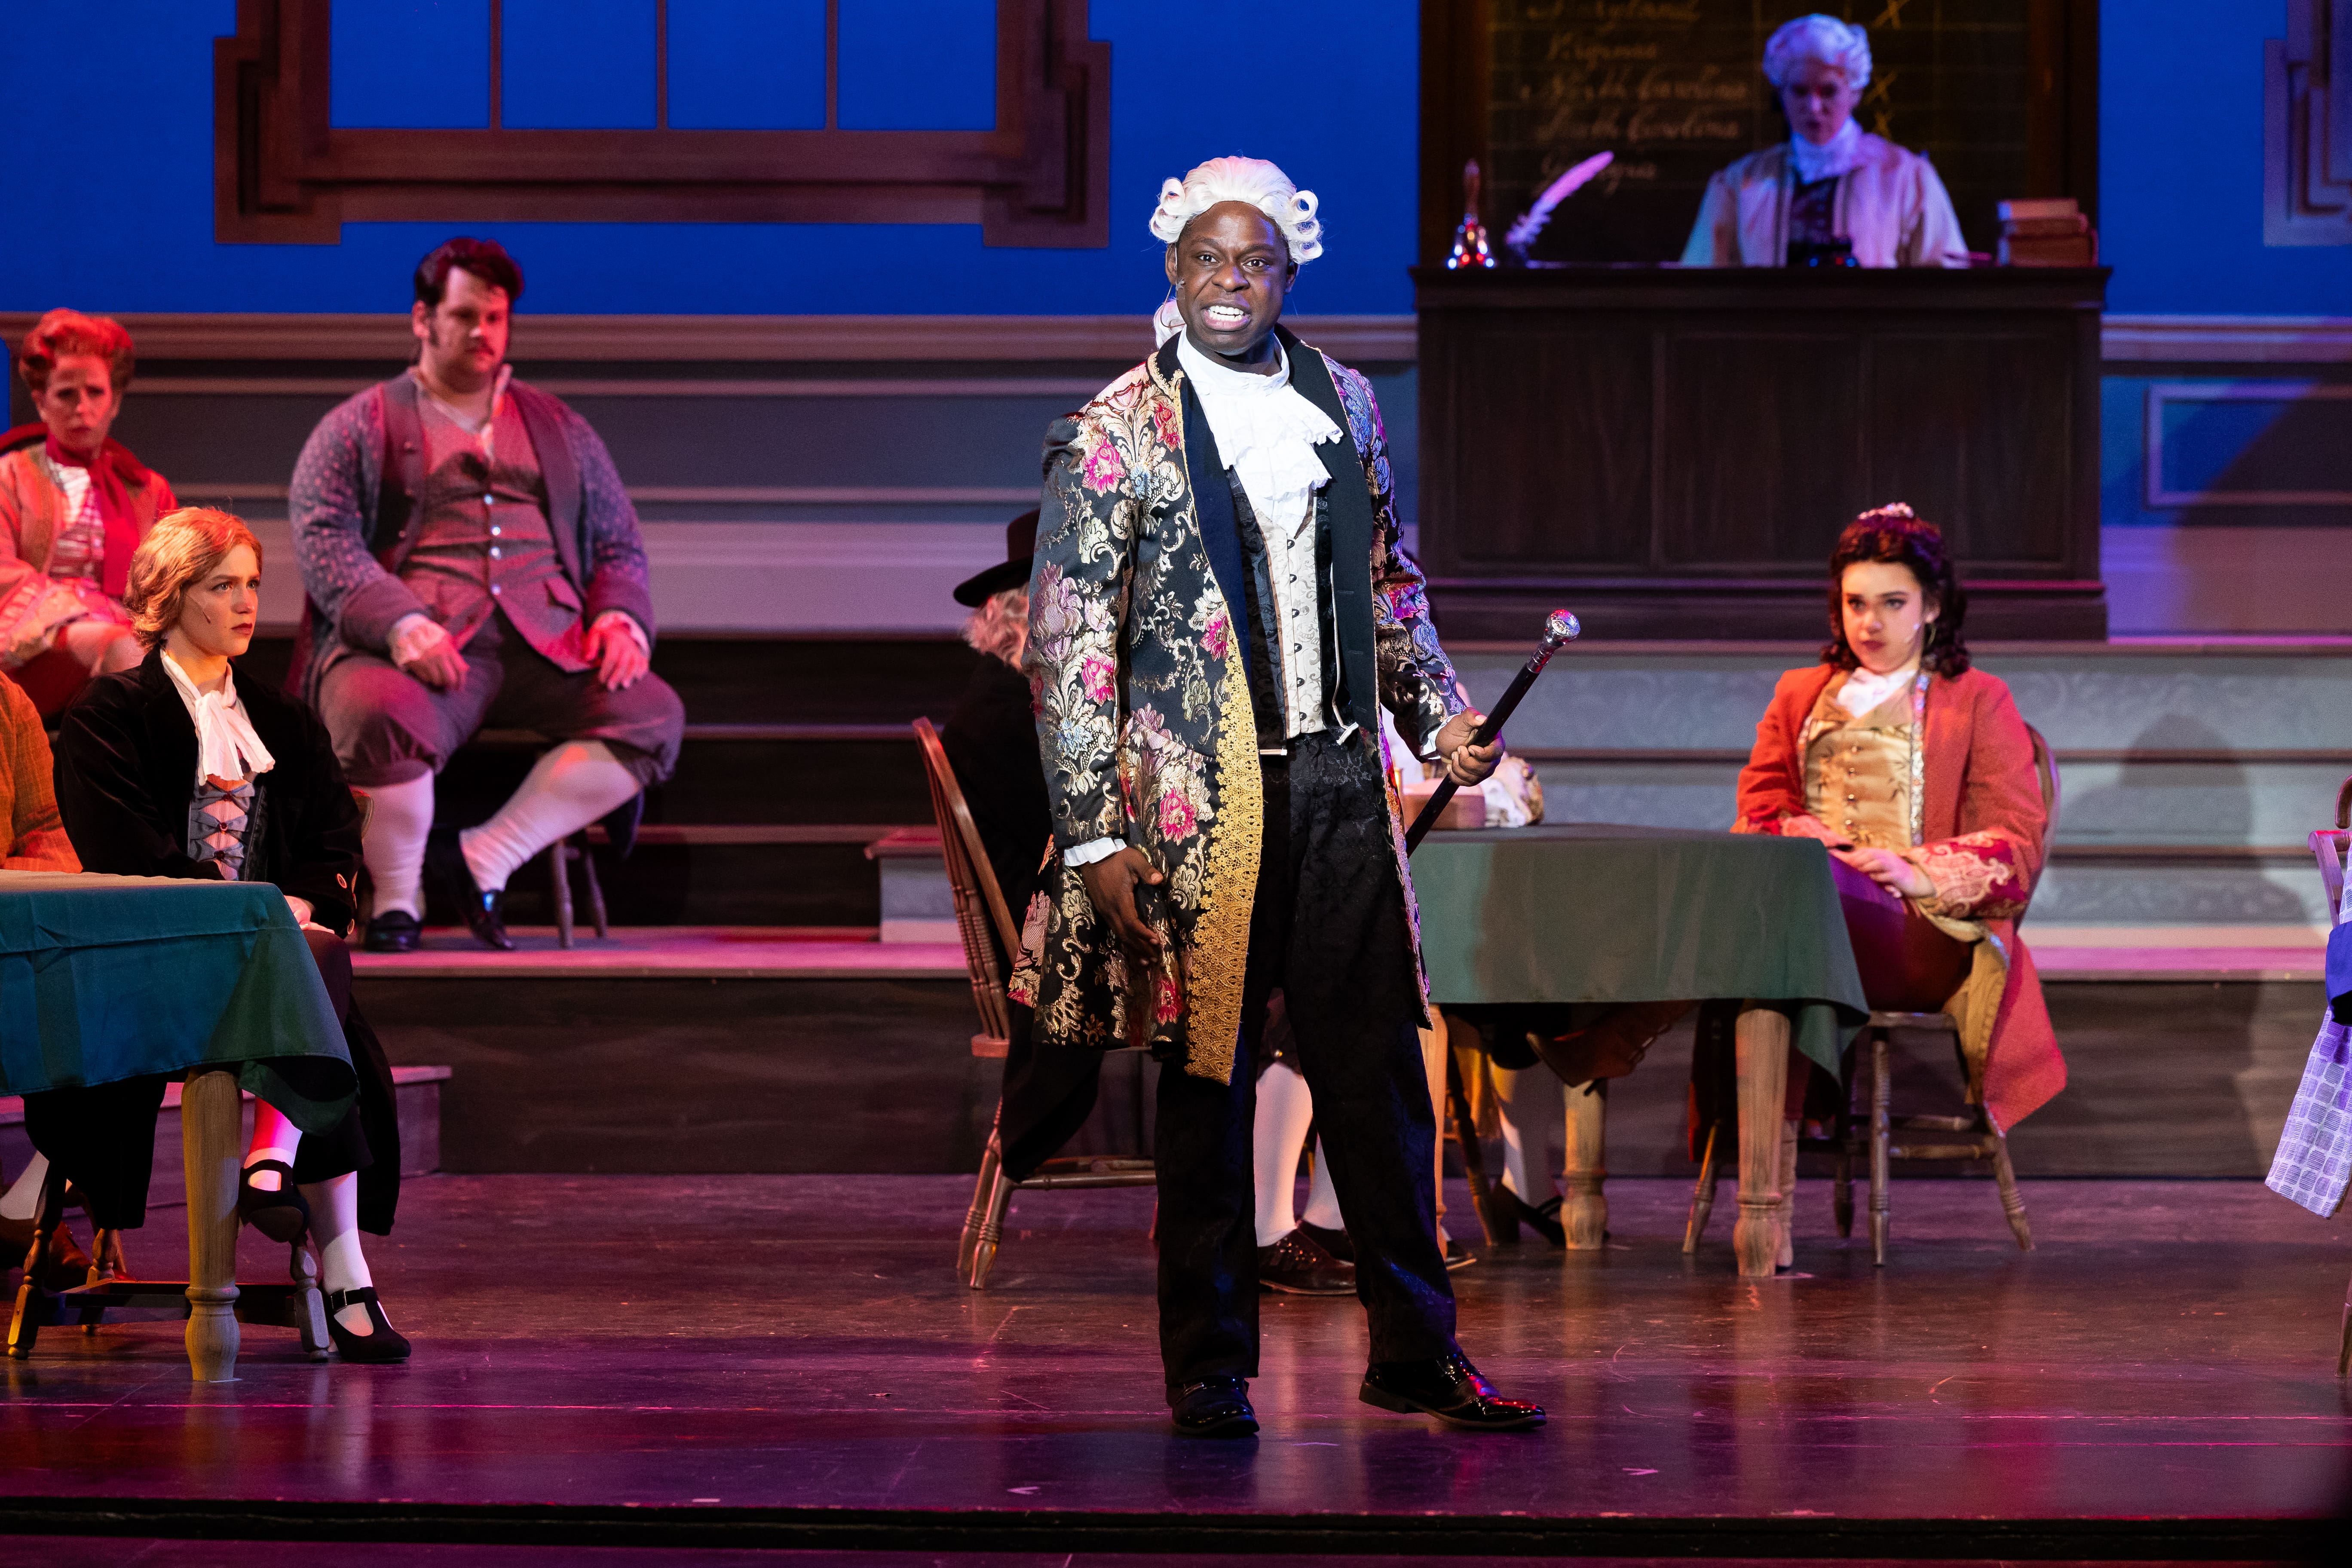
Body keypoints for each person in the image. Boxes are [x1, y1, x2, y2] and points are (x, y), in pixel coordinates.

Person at [1013, 155, 1543, 1437]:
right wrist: (1092, 834)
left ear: (1286, 275)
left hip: (1341, 785)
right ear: (1173, 268)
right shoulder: (1115, 429)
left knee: (1380, 1077)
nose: (1229, 282)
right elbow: (1068, 647)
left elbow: (1391, 584)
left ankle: (1414, 1350)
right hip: (1194, 808)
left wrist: (1439, 717)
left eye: (1254, 262)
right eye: (1207, 259)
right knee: (1209, 1083)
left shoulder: (1343, 401)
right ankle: (1208, 1366)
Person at [46, 506, 410, 1362]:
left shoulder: (284, 720)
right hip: (151, 966)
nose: (247, 603)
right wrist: (252, 913)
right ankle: (337, 1261)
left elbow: (333, 841)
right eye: (222, 586)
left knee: (313, 954)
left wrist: (302, 904)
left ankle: (283, 1177)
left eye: (252, 584)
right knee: (313, 973)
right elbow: (123, 853)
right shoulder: (110, 713)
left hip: (281, 963)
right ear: (171, 596)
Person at [288, 238, 685, 953]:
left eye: (496, 319)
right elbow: (324, 537)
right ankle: (398, 897)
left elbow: (618, 540)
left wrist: (620, 617)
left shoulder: (559, 426)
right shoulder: (358, 424)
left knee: (650, 713)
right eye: (465, 315)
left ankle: (485, 858)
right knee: (372, 708)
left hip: (549, 644)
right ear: (423, 319)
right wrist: (399, 623)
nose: (483, 333)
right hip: (418, 648)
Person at [1727, 505, 2063, 1221]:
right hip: (1814, 910)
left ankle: (1765, 1205)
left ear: (1931, 607)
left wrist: (1917, 871)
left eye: (1891, 603)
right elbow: (1758, 809)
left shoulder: (1976, 699)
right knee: (1776, 922)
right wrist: (1802, 835)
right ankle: (1768, 1206)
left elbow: (2017, 841)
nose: (1870, 622)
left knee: (1776, 935)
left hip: (1922, 926)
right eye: (1856, 603)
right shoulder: (1799, 693)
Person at [1681, 15, 1968, 269]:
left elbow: (1945, 280)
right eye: (1800, 91)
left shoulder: (1904, 176)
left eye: (1829, 91)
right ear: (1781, 94)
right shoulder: (1740, 182)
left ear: (1854, 92)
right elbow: (1701, 281)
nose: (1814, 107)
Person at [0, 310, 175, 717]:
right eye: (66, 394)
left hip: (130, 635)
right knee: (123, 648)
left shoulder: (148, 489)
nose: (82, 408)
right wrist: (82, 609)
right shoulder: (10, 477)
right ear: (41, 403)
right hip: (31, 647)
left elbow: (174, 581)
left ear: (115, 401)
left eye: (95, 392)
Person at [0, 669, 92, 1292]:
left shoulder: (6, 699)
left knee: (106, 982)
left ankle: (29, 1199)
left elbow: (47, 829)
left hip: (9, 918)